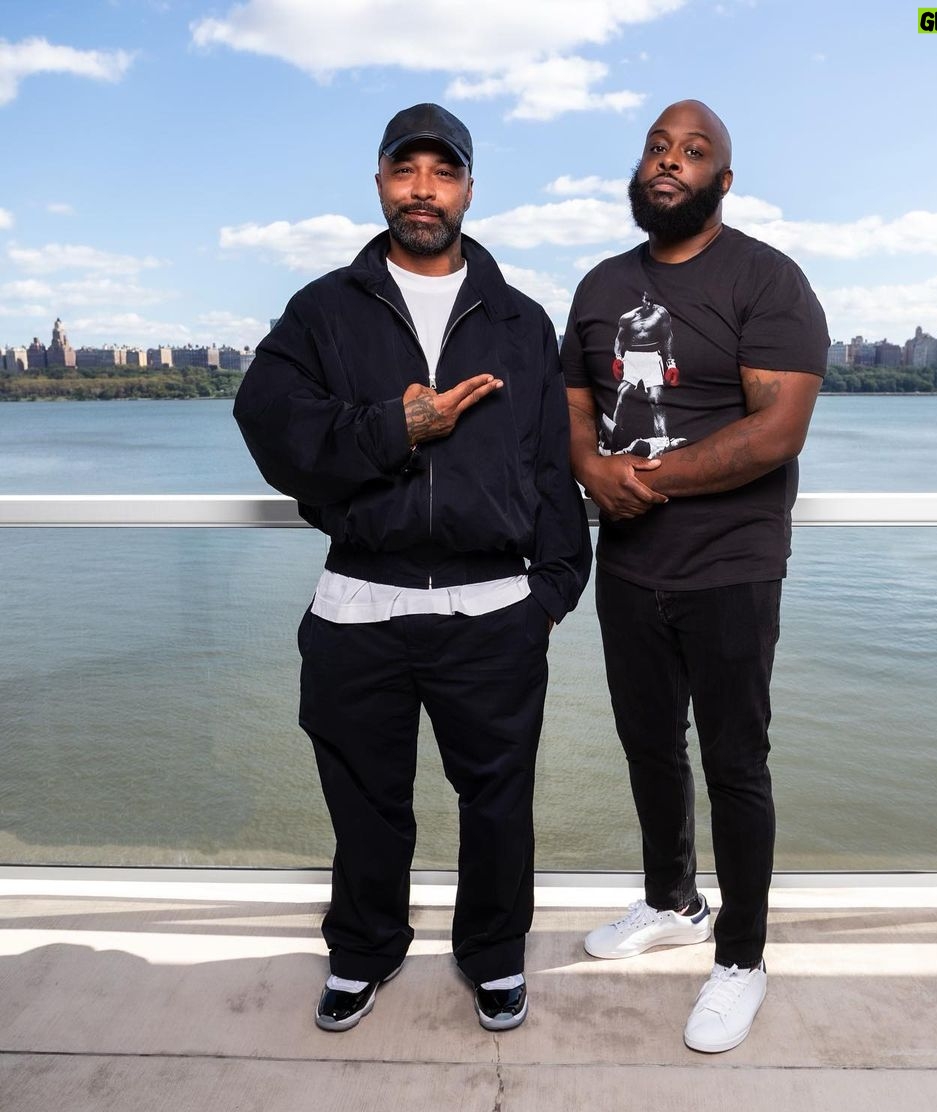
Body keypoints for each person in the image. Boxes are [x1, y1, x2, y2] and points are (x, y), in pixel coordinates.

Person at [234, 102, 591, 1034]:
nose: (423, 190)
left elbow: (550, 466)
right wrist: (397, 427)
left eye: (443, 172)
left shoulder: (520, 320)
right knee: (365, 802)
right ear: (381, 183)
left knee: (499, 804)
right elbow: (270, 428)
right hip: (358, 605)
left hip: (495, 610)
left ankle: (494, 954)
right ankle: (364, 950)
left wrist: (552, 590)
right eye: (406, 171)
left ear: (468, 188)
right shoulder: (322, 311)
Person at [561, 99, 828, 1053]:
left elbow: (777, 429)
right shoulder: (600, 285)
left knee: (735, 763)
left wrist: (644, 480)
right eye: (657, 147)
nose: (670, 162)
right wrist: (589, 468)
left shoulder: (767, 280)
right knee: (647, 747)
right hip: (630, 568)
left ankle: (743, 959)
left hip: (731, 568)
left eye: (694, 151)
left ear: (723, 179)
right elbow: (575, 406)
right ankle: (673, 902)